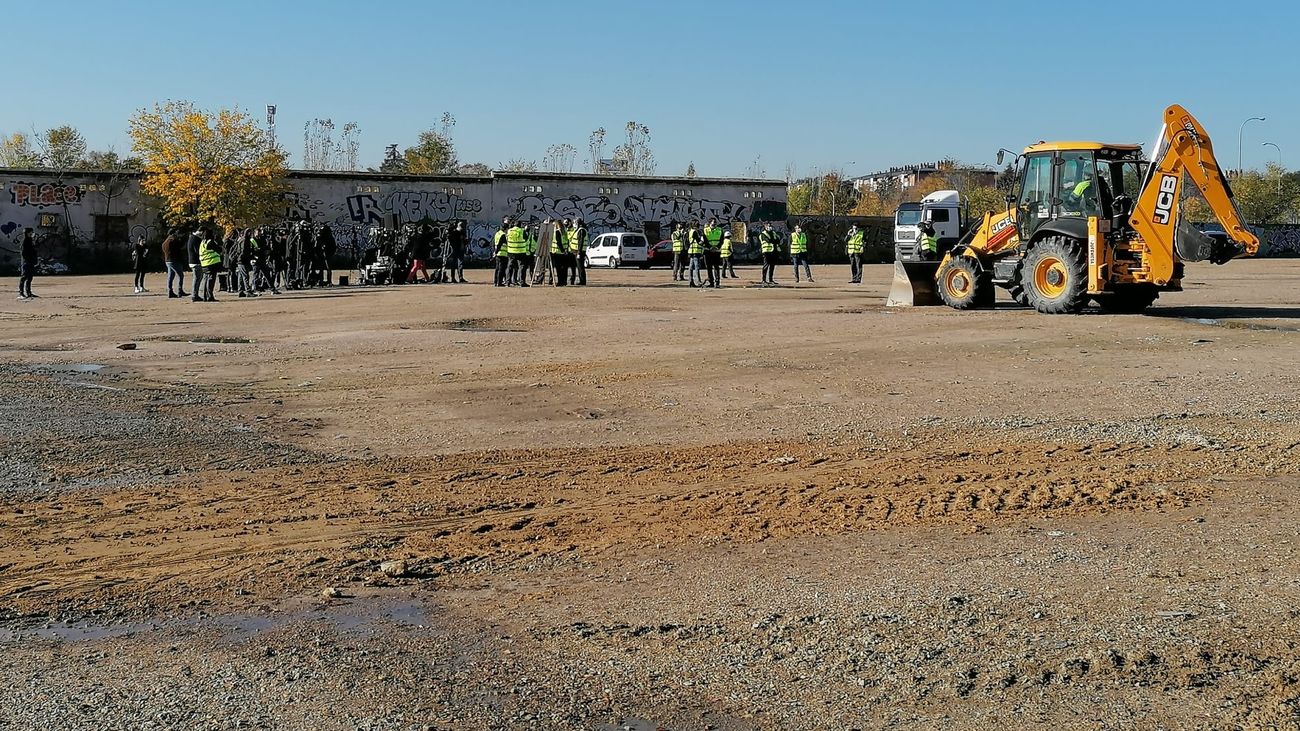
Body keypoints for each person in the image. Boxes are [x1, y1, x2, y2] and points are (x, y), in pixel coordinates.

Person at [161, 229, 188, 298]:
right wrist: (183, 239)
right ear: (173, 234)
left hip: (167, 260)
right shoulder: (173, 241)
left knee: (171, 276)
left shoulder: (165, 242)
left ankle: (170, 291)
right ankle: (180, 291)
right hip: (174, 260)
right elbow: (180, 246)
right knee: (180, 275)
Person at [505, 219, 530, 286]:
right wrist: (526, 230)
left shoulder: (509, 231)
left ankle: (507, 282)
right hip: (520, 251)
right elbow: (526, 238)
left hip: (511, 251)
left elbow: (507, 239)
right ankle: (521, 282)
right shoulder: (522, 231)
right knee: (521, 267)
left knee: (509, 267)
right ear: (520, 225)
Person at [702, 218, 724, 288]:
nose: (714, 223)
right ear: (709, 223)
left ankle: (717, 282)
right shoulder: (705, 230)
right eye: (713, 222)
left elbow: (722, 240)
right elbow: (704, 240)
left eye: (715, 222)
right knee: (709, 267)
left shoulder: (720, 230)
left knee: (716, 267)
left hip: (716, 251)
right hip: (708, 251)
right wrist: (710, 247)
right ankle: (711, 282)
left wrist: (717, 247)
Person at [552, 218, 573, 286]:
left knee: (559, 269)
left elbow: (559, 242)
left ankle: (560, 282)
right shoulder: (565, 231)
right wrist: (565, 250)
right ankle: (564, 281)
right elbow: (566, 241)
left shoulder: (557, 232)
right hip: (565, 252)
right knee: (564, 268)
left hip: (558, 252)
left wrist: (562, 250)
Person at [17, 228, 36, 300]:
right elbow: (23, 253)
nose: (32, 233)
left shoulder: (30, 240)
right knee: (24, 277)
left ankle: (29, 292)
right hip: (26, 262)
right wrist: (27, 260)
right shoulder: (25, 241)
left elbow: (33, 251)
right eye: (30, 232)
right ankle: (21, 292)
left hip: (31, 261)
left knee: (30, 277)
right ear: (27, 233)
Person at [187, 226, 205, 302]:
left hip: (192, 261)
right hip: (196, 262)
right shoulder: (195, 239)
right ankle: (195, 295)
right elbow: (198, 251)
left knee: (197, 278)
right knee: (197, 279)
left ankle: (195, 294)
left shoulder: (192, 237)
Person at [686, 219, 705, 288]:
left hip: (691, 250)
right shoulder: (695, 232)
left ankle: (691, 281)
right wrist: (702, 240)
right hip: (695, 251)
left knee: (691, 266)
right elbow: (698, 241)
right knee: (696, 266)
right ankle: (698, 281)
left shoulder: (690, 231)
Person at [493, 218, 510, 286]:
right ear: (506, 229)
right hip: (502, 253)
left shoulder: (497, 233)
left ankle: (495, 281)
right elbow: (500, 244)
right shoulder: (503, 235)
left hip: (498, 253)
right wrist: (496, 252)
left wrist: (494, 252)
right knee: (501, 269)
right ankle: (499, 282)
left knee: (497, 269)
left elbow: (493, 243)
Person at [571, 218, 588, 285]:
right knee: (579, 267)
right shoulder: (578, 230)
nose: (574, 224)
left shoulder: (581, 230)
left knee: (580, 267)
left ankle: (582, 281)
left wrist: (579, 252)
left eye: (575, 223)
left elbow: (580, 242)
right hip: (576, 251)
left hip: (580, 252)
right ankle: (581, 280)